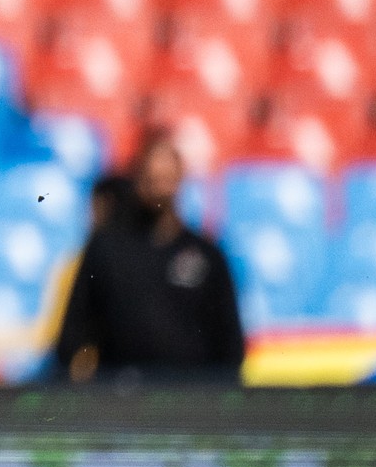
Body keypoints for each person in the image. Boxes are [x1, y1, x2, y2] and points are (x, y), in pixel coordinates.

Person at [52, 132, 246, 381]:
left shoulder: (207, 255)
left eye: (166, 177)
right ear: (138, 179)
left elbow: (230, 344)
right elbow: (73, 335)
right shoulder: (106, 249)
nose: (159, 186)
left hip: (191, 400)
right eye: (152, 178)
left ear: (180, 179)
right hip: (121, 396)